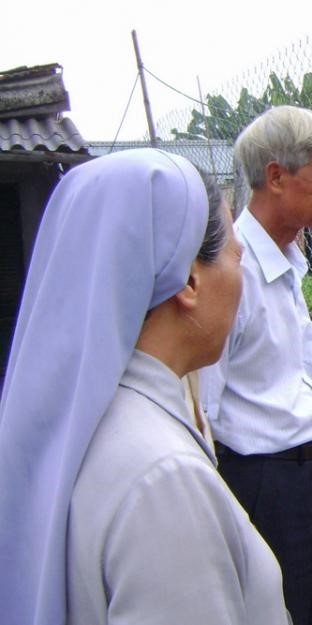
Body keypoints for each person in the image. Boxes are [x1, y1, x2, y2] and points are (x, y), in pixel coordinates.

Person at [0, 148, 290, 625]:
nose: (242, 276)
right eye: (236, 256)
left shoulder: (76, 425)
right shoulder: (163, 480)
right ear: (190, 280)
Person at [199, 105, 312, 625]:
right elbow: (203, 409)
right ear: (276, 177)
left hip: (306, 478)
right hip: (261, 484)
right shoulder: (233, 272)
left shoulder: (286, 261)